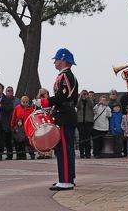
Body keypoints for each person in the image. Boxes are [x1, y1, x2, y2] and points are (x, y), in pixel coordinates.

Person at [34, 48, 78, 191]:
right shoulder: (65, 76)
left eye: (57, 59)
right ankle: (67, 177)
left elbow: (62, 97)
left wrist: (44, 102)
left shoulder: (65, 76)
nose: (55, 62)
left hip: (64, 114)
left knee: (64, 148)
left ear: (63, 60)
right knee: (66, 148)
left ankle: (65, 180)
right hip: (65, 113)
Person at [35, 88, 52, 159]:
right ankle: (41, 153)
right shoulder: (37, 102)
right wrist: (39, 96)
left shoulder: (50, 101)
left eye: (44, 93)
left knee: (48, 138)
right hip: (40, 122)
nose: (42, 95)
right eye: (41, 94)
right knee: (40, 137)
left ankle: (48, 153)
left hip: (48, 121)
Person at [4, 86, 21, 160]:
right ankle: (9, 155)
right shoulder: (3, 100)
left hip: (15, 123)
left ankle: (19, 155)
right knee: (7, 140)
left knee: (17, 139)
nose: (10, 92)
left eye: (11, 90)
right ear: (6, 92)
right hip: (6, 123)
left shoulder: (17, 100)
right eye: (8, 91)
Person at [76, 90, 94, 158]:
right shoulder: (79, 101)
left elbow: (91, 105)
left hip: (88, 121)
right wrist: (80, 97)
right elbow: (77, 105)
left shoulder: (90, 101)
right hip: (80, 122)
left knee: (87, 137)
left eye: (85, 94)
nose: (84, 95)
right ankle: (81, 153)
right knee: (81, 137)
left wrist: (88, 98)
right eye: (83, 94)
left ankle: (88, 153)